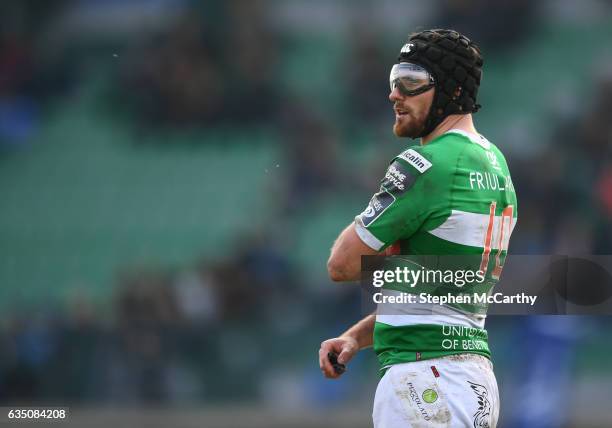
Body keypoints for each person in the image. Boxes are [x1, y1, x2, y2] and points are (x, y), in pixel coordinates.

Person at [319, 29, 518, 427]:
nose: (396, 94)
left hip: (425, 381)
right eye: (395, 80)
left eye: (411, 82)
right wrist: (357, 338)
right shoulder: (496, 164)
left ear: (452, 92)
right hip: (472, 381)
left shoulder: (425, 164)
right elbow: (440, 295)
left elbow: (341, 265)